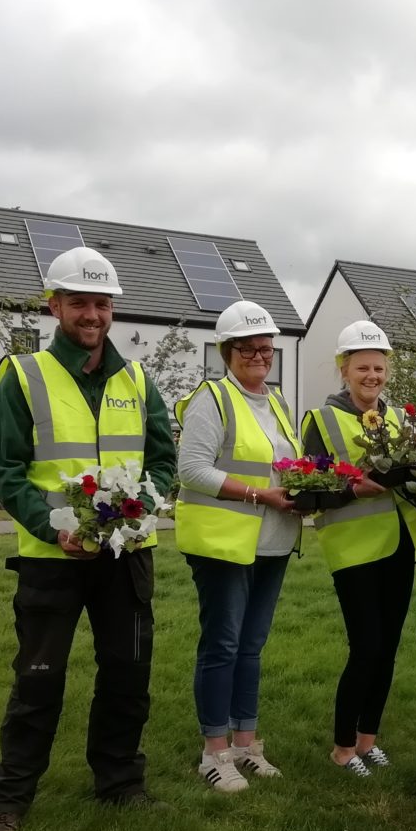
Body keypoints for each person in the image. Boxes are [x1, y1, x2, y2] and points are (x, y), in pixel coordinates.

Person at [0, 246, 177, 831]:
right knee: (38, 678)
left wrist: (143, 503)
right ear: (55, 305)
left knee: (128, 672)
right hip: (51, 559)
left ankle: (120, 784)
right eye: (79, 302)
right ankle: (9, 800)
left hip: (127, 556)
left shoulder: (138, 378)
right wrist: (53, 527)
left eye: (101, 303)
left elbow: (163, 460)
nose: (92, 314)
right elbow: (7, 470)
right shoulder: (23, 374)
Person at [175, 300, 302, 793]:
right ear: (227, 351)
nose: (258, 356)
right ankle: (214, 751)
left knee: (251, 648)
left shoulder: (277, 402)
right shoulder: (213, 398)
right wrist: (259, 494)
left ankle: (247, 745)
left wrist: (305, 490)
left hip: (272, 543)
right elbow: (193, 470)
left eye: (265, 349)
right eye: (247, 349)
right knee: (222, 646)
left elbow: (281, 467)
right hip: (223, 544)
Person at [301, 320, 416, 776]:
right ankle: (341, 748)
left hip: (398, 547)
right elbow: (307, 491)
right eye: (362, 368)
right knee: (366, 647)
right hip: (352, 550)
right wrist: (354, 490)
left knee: (388, 647)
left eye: (378, 368)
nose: (371, 376)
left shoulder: (399, 421)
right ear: (344, 370)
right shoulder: (321, 420)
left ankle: (367, 740)